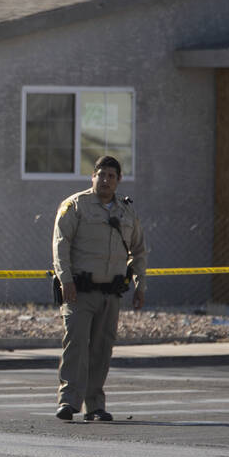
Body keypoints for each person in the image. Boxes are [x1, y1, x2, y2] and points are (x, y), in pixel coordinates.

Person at [51, 155, 147, 422]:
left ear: (118, 181)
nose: (105, 180)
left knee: (102, 350)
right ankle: (69, 402)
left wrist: (140, 285)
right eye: (101, 174)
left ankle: (95, 405)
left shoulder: (126, 212)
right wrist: (65, 280)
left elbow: (138, 251)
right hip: (79, 292)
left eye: (111, 176)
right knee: (76, 346)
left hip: (110, 294)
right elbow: (61, 245)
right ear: (92, 177)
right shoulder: (75, 206)